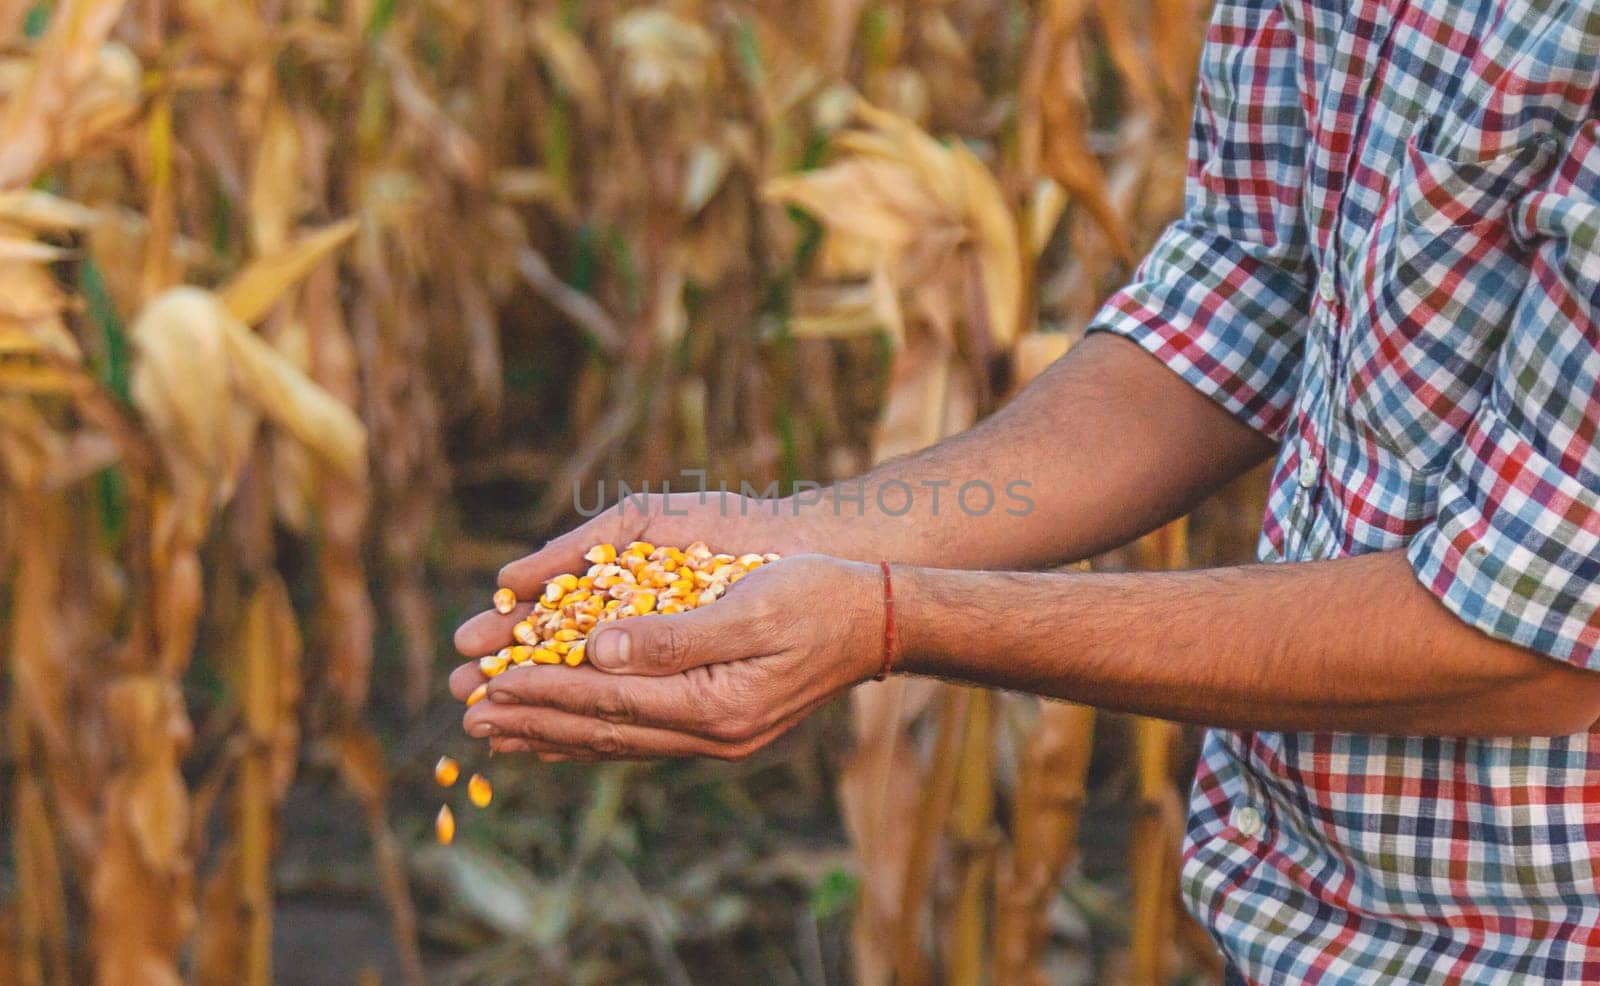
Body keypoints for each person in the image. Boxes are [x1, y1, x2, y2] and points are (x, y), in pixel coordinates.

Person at [452, 0, 1600, 979]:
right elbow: (1252, 277)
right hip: (1297, 910)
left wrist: (886, 615)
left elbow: (1528, 638)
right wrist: (800, 535)